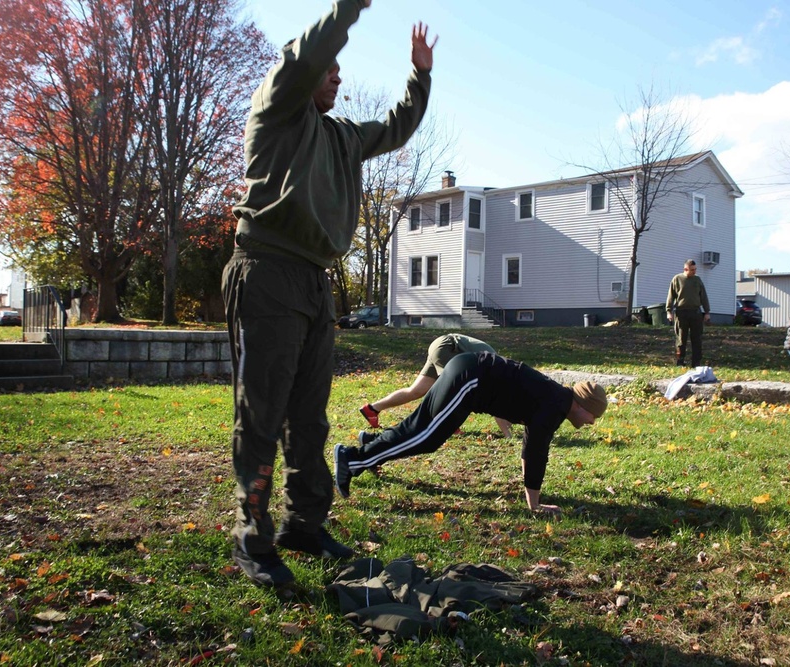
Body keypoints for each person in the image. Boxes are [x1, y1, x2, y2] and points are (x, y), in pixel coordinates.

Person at [220, 0, 436, 589]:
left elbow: (396, 127)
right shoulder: (278, 108)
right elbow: (310, 53)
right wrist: (348, 8)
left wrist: (419, 76)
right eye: (331, 69)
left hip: (315, 282)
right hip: (267, 269)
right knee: (262, 412)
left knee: (309, 417)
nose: (337, 75)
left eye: (341, 70)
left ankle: (303, 524)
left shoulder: (341, 137)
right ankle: (252, 536)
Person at [335, 352, 608, 516]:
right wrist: (535, 506)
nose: (592, 422)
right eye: (594, 415)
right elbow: (537, 453)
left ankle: (371, 443)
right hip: (470, 378)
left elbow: (530, 449)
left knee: (422, 431)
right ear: (582, 405)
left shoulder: (556, 401)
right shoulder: (555, 405)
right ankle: (353, 460)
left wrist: (531, 501)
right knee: (426, 436)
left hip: (467, 372)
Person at [360, 333, 512, 437]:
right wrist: (509, 435)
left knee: (416, 391)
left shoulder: (496, 364)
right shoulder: (496, 367)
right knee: (454, 387)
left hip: (442, 346)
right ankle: (448, 425)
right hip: (448, 347)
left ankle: (372, 409)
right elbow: (495, 404)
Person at [665, 259, 711, 367]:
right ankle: (680, 361)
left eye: (695, 269)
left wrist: (707, 312)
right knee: (681, 339)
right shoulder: (677, 279)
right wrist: (669, 311)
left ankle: (696, 363)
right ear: (685, 269)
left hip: (695, 312)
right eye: (692, 270)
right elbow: (670, 296)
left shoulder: (698, 280)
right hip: (681, 313)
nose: (694, 272)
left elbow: (703, 296)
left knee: (697, 339)